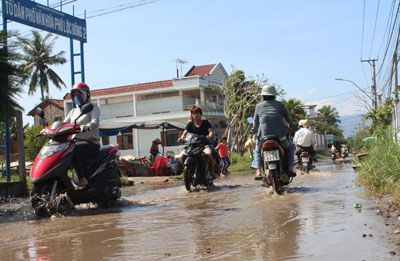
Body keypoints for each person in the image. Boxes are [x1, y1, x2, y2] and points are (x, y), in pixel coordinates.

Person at [251, 84, 296, 180]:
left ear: (263, 95)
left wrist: (254, 131)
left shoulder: (258, 106)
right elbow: (289, 119)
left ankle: (258, 171)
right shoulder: (280, 105)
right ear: (274, 95)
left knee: (257, 150)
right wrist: (291, 125)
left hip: (263, 136)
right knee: (290, 148)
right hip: (280, 135)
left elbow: (255, 123)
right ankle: (290, 167)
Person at [64, 82, 100, 190]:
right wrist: (50, 128)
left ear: (86, 94)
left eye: (78, 94)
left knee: (72, 149)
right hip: (75, 142)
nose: (76, 97)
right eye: (74, 95)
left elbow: (95, 120)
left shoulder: (92, 107)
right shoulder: (73, 112)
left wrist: (88, 126)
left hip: (90, 143)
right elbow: (64, 124)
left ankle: (82, 178)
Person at [178, 106, 219, 178]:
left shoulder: (206, 123)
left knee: (208, 154)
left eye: (197, 113)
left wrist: (209, 136)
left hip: (204, 145)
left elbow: (210, 132)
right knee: (181, 156)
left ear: (200, 114)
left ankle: (212, 172)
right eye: (193, 113)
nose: (195, 115)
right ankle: (187, 171)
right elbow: (184, 133)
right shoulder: (190, 124)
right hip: (192, 146)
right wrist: (181, 138)